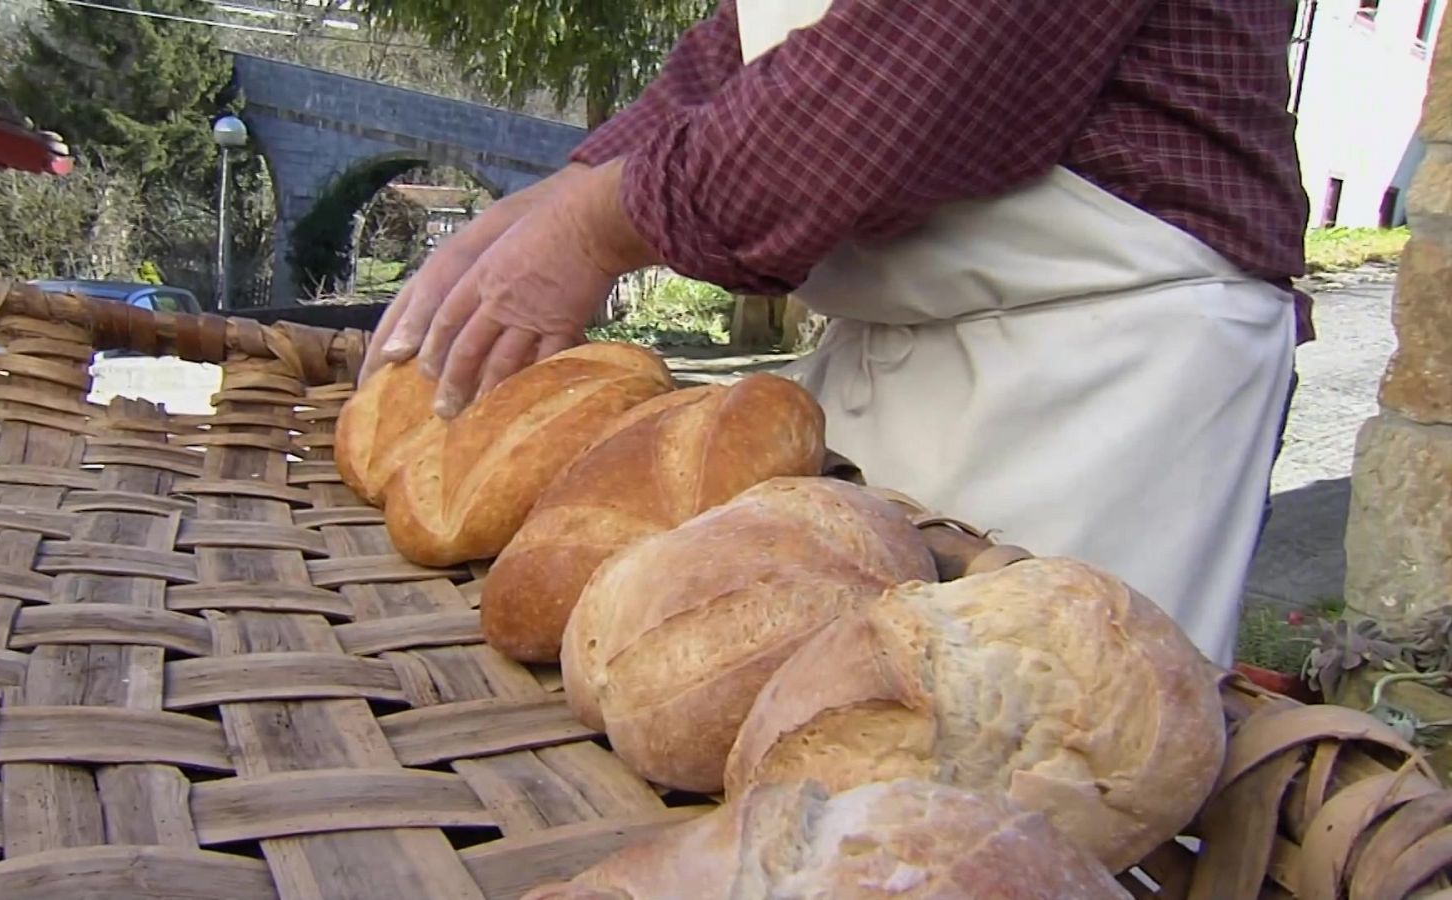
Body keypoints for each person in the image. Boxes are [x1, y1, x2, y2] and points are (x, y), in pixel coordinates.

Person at [359, 0, 1313, 667]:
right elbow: (750, 47)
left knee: (1028, 761)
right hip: (907, 337)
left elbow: (891, 82)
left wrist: (594, 227)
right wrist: (561, 193)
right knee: (798, 733)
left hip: (1106, 368)